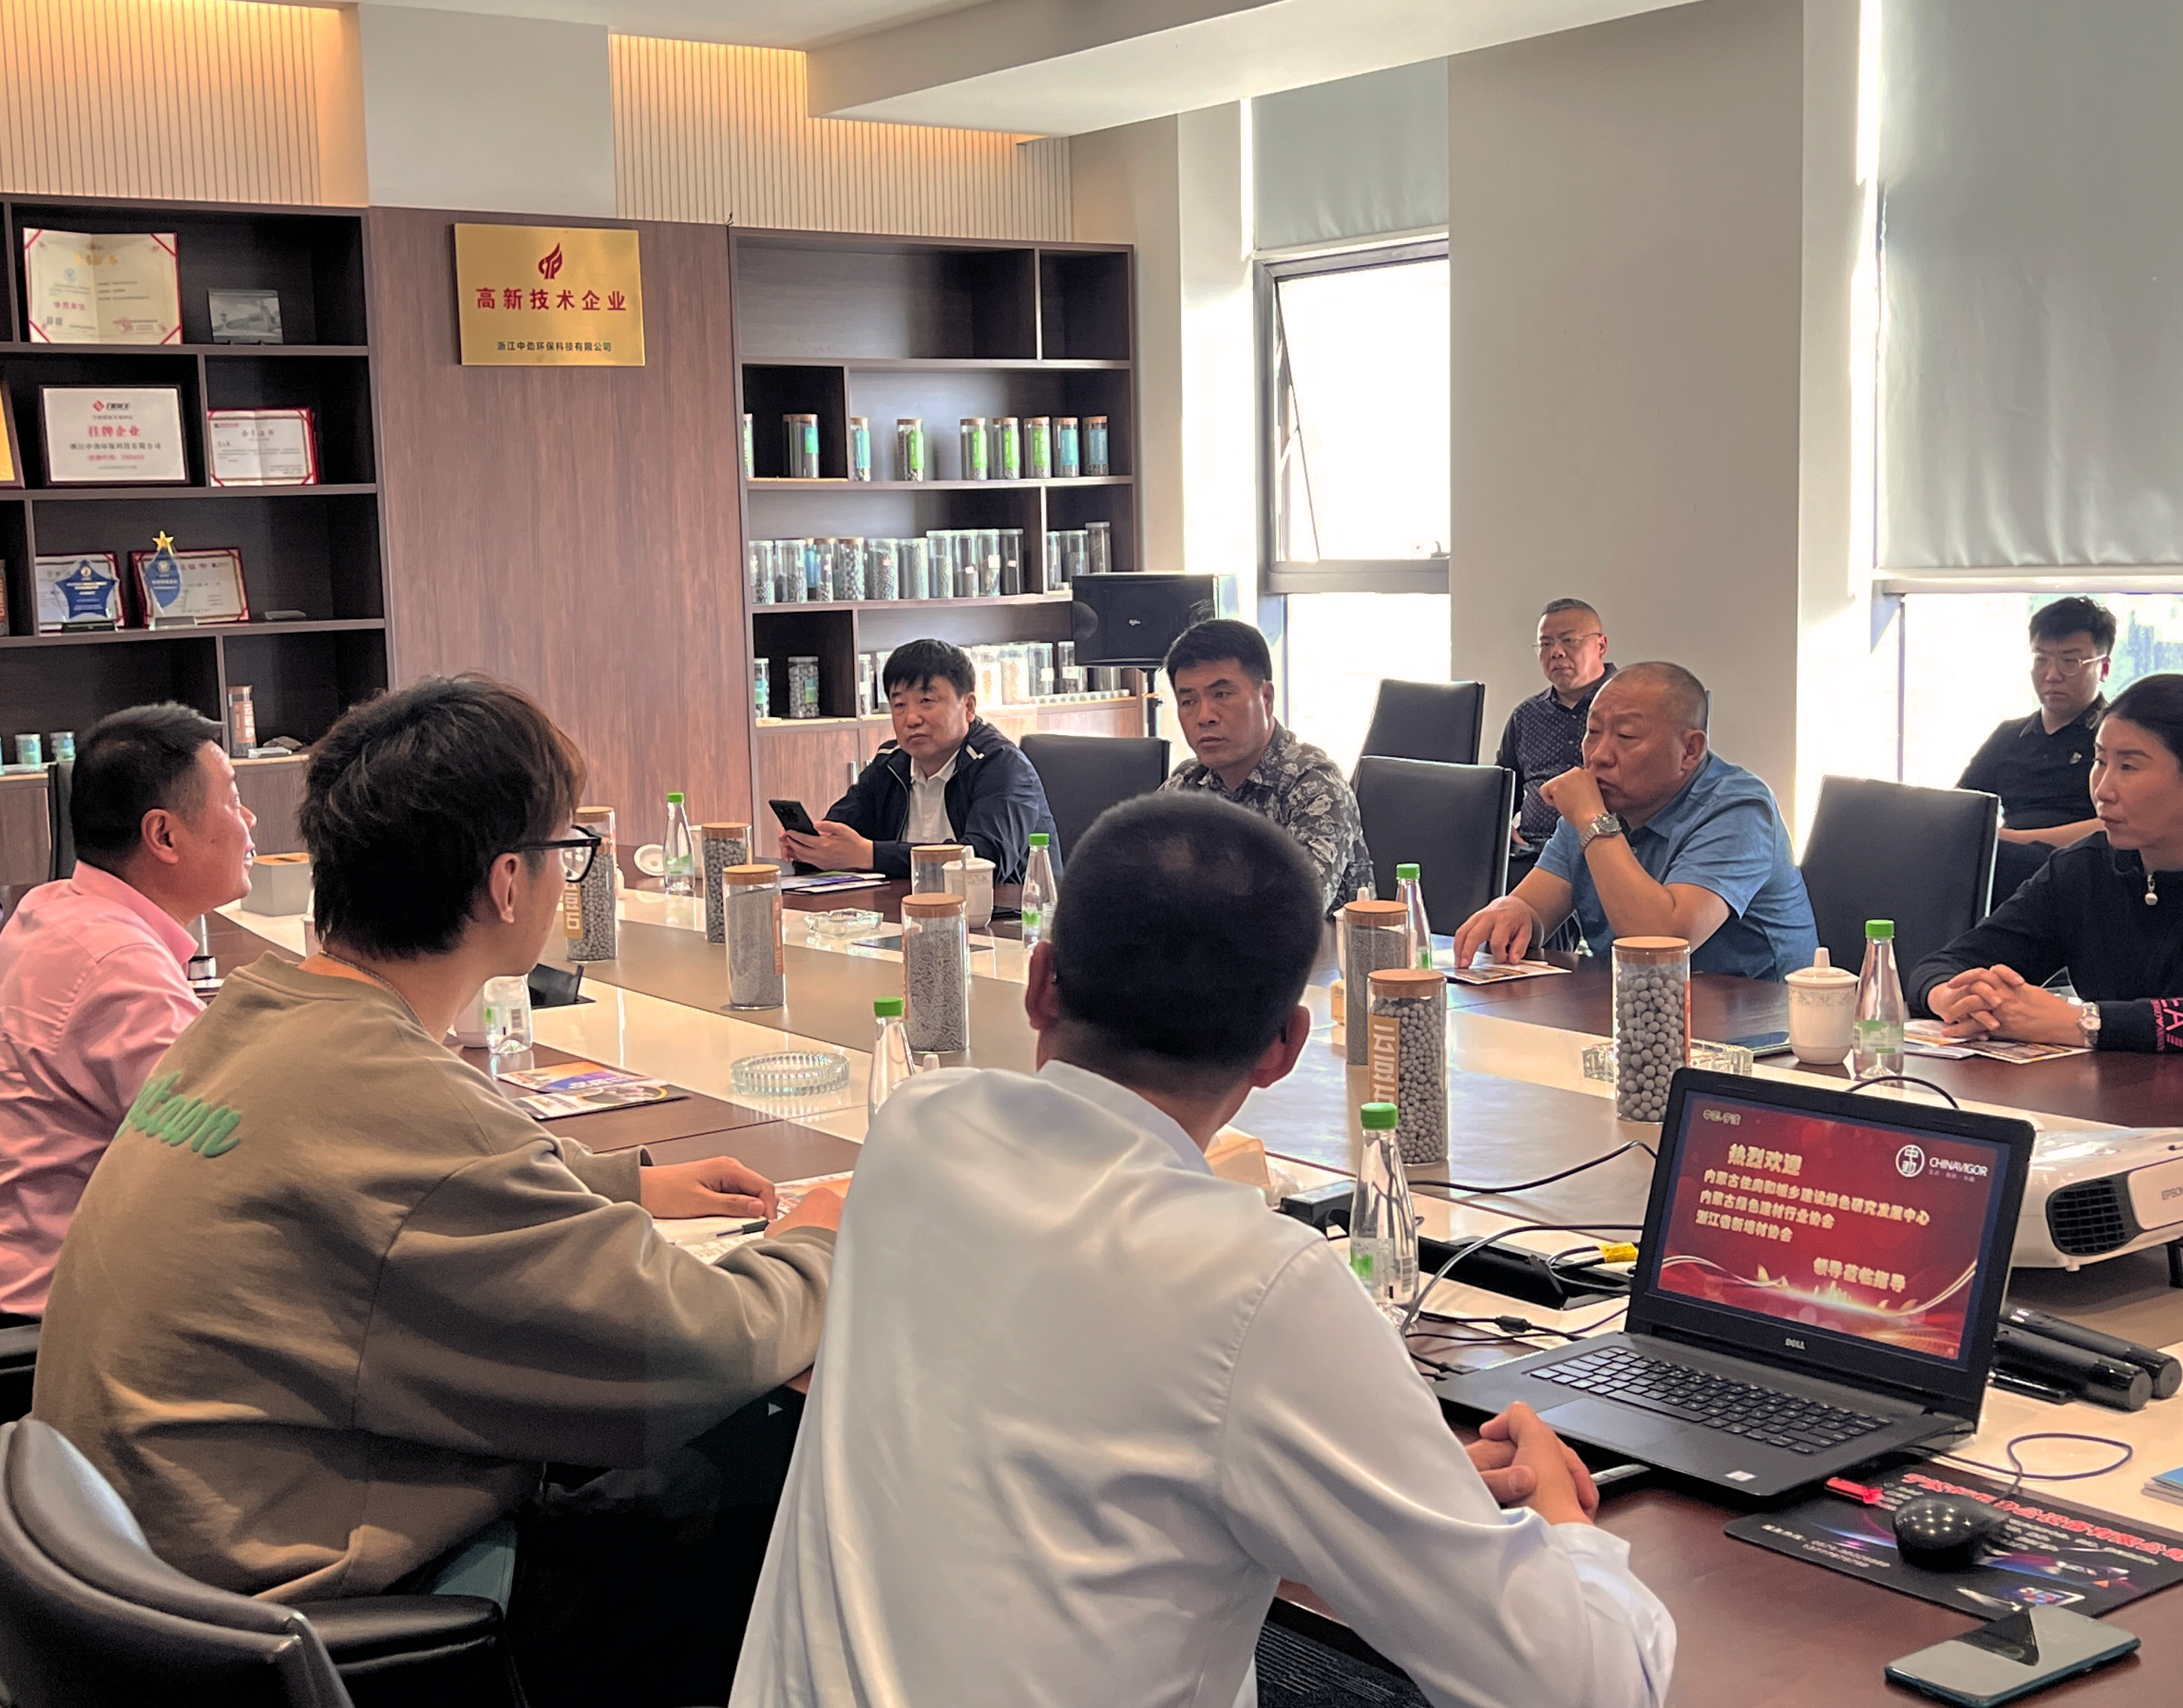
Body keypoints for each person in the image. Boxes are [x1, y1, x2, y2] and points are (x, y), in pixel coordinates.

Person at [732, 791, 1672, 1707]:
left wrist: (1368, 1488)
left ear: (1040, 982)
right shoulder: (1259, 1286)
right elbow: (1588, 1687)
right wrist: (1563, 1524)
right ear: (1284, 1049)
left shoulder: (916, 1130)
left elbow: (1085, 1425)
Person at [35, 674, 845, 1708]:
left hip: (148, 1588)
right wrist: (821, 1240)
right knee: (766, 1451)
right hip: (311, 1631)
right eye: (565, 850)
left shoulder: (257, 1018)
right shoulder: (404, 1102)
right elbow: (700, 1347)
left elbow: (376, 1187)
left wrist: (623, 1185)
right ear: (508, 883)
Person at [0, 704, 257, 1321]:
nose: (249, 819)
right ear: (164, 836)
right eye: (233, 802)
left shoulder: (54, 908)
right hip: (38, 1315)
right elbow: (226, 1148)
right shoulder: (117, 965)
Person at [1909, 674, 2183, 1059]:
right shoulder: (2082, 868)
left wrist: (2081, 1023)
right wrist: (1953, 996)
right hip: (2132, 1098)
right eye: (2100, 761)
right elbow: (1945, 964)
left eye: (2129, 766)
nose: (2102, 789)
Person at [1452, 662, 1817, 981]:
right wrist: (1514, 912)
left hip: (1757, 1023)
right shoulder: (1600, 800)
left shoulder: (1740, 809)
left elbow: (1660, 944)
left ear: (1690, 750)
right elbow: (1535, 906)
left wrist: (1593, 821)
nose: (1599, 755)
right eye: (1593, 733)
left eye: (1626, 736)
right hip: (1635, 1015)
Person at [778, 639, 1053, 882]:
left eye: (926, 701)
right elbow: (842, 833)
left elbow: (985, 861)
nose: (911, 718)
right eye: (899, 705)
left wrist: (869, 855)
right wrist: (812, 848)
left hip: (1006, 917)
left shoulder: (1003, 766)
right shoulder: (890, 764)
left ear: (968, 707)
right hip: (904, 912)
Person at [1160, 618, 1372, 913]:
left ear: (1266, 698)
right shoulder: (1186, 783)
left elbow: (1295, 907)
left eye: (1221, 695)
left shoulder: (1314, 785)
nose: (1204, 716)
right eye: (1188, 701)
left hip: (1323, 944)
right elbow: (1136, 881)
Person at [1958, 598, 2115, 895]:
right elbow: (1962, 809)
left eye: (2070, 662)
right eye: (2041, 659)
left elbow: (2119, 825)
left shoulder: (2116, 736)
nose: (2052, 675)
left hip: (2081, 870)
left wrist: (2008, 839)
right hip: (2007, 867)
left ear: (2104, 667)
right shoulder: (2009, 735)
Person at [1497, 598, 1618, 858]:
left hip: (1610, 848)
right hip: (1532, 852)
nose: (1556, 652)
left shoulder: (1632, 706)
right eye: (1546, 644)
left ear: (1601, 646)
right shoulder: (1526, 715)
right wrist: (1500, 826)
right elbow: (1502, 789)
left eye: (1568, 640)